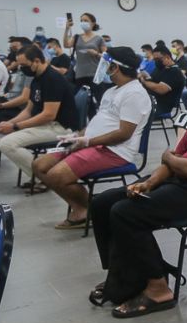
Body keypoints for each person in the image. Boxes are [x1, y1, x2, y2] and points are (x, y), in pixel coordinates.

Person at [89, 68, 187, 318]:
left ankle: (158, 288)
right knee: (102, 203)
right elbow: (174, 162)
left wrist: (169, 158)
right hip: (180, 181)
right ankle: (121, 276)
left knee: (126, 213)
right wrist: (150, 182)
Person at [33, 47, 152, 230]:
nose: (103, 68)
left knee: (56, 175)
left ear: (115, 67)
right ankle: (83, 206)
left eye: (107, 64)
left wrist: (88, 142)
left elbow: (124, 134)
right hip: (93, 144)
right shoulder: (112, 91)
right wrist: (77, 136)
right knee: (40, 165)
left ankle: (87, 210)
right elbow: (98, 123)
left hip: (115, 151)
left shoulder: (134, 94)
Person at [0, 45, 80, 181]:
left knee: (7, 143)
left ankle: (45, 178)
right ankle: (40, 176)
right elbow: (28, 110)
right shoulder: (37, 79)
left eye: (24, 65)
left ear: (37, 61)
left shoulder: (52, 79)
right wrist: (9, 123)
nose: (21, 68)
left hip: (61, 128)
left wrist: (15, 127)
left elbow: (49, 115)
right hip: (46, 124)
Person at [63, 12, 106, 88]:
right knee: (79, 95)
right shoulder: (77, 37)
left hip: (94, 74)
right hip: (79, 74)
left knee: (95, 95)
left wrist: (96, 54)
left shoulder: (99, 39)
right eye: (81, 21)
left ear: (93, 23)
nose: (83, 23)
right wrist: (67, 29)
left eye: (86, 21)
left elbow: (106, 58)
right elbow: (66, 45)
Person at [142, 46, 185, 116]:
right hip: (152, 103)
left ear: (167, 57)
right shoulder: (160, 69)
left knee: (136, 114)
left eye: (158, 59)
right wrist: (143, 77)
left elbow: (161, 89)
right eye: (154, 59)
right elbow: (152, 80)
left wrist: (144, 81)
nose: (156, 61)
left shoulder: (175, 72)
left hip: (164, 108)